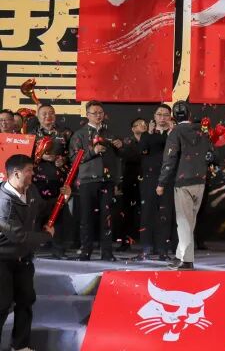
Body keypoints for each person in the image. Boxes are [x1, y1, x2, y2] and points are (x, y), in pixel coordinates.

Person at [0, 155, 71, 351]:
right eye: (29, 171)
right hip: (3, 260)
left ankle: (20, 346)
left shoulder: (30, 190)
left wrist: (62, 199)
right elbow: (19, 236)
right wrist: (46, 236)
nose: (33, 174)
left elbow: (42, 208)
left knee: (25, 301)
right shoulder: (3, 202)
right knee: (2, 305)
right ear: (16, 173)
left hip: (23, 259)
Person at [157, 101, 213, 271]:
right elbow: (212, 154)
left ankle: (187, 261)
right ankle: (180, 255)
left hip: (183, 181)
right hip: (201, 180)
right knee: (190, 221)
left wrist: (161, 182)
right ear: (190, 114)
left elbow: (170, 159)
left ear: (173, 116)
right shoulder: (203, 131)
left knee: (183, 222)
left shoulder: (175, 132)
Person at [69, 101, 123, 262]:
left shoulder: (110, 133)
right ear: (87, 115)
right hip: (87, 181)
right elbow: (74, 159)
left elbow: (120, 158)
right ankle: (86, 251)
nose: (98, 115)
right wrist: (93, 151)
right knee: (86, 218)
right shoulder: (79, 134)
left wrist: (120, 146)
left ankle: (107, 252)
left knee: (107, 218)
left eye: (100, 112)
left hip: (107, 180)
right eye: (94, 113)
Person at [31, 104, 71, 259]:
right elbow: (24, 156)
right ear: (38, 116)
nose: (48, 116)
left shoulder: (65, 133)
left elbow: (72, 154)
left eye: (51, 113)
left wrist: (63, 160)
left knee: (58, 216)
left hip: (58, 180)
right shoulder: (31, 134)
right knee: (35, 215)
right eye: (44, 113)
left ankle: (58, 250)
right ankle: (32, 250)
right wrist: (39, 156)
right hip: (35, 181)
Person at [136, 105, 175, 261]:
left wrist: (171, 133)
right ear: (154, 116)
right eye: (159, 114)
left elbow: (175, 152)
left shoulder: (174, 134)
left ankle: (163, 249)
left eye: (166, 114)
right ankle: (146, 247)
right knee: (147, 213)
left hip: (168, 178)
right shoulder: (147, 134)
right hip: (149, 178)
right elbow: (141, 150)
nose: (162, 117)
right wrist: (149, 133)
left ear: (170, 117)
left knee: (165, 214)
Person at [116, 118, 146, 252]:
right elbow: (126, 156)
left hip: (146, 180)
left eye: (144, 124)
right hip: (129, 180)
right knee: (127, 212)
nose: (143, 126)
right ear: (133, 129)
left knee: (147, 212)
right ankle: (125, 241)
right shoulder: (127, 142)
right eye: (139, 124)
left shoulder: (150, 140)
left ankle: (148, 242)